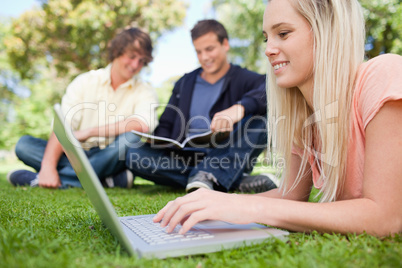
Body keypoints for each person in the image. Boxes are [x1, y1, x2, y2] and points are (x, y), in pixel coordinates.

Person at [153, 0, 402, 237]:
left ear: (326, 30)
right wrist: (220, 203)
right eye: (266, 38)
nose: (268, 50)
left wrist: (249, 209)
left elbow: (385, 217)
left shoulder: (383, 74)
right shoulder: (304, 118)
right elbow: (290, 196)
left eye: (283, 33)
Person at [125, 19, 277, 193]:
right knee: (134, 155)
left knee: (263, 119)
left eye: (209, 49)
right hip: (183, 157)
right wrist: (157, 141)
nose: (204, 57)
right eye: (198, 51)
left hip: (227, 154)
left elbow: (270, 88)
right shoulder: (184, 83)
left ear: (225, 44)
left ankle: (211, 175)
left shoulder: (243, 78)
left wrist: (239, 108)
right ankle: (224, 179)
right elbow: (167, 124)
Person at [8, 27, 159, 189]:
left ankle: (41, 180)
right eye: (132, 57)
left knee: (131, 139)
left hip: (111, 156)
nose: (136, 65)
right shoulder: (85, 81)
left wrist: (89, 132)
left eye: (142, 61)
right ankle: (106, 181)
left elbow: (142, 124)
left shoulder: (145, 90)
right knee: (24, 145)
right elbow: (62, 126)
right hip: (75, 154)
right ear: (117, 51)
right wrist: (48, 167)